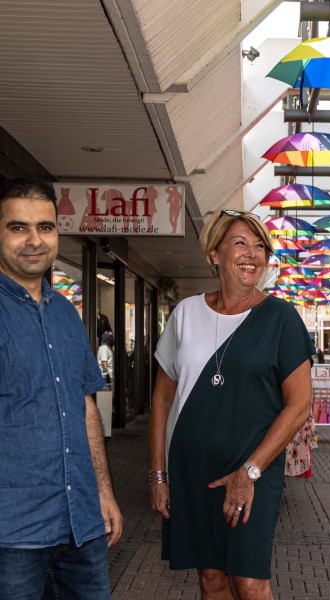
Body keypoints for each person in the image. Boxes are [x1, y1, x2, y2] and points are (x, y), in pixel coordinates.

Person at [148, 209, 314, 599]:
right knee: (211, 578)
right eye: (240, 243)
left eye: (260, 247)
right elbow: (162, 398)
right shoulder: (186, 313)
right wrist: (158, 475)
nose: (252, 254)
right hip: (192, 468)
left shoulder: (282, 318)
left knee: (250, 581)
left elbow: (300, 405)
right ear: (214, 255)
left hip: (254, 466)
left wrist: (250, 471)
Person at [0, 179, 122, 597]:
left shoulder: (67, 313)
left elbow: (85, 407)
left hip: (80, 525)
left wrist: (103, 492)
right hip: (13, 534)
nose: (35, 240)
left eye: (46, 227)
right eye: (18, 227)